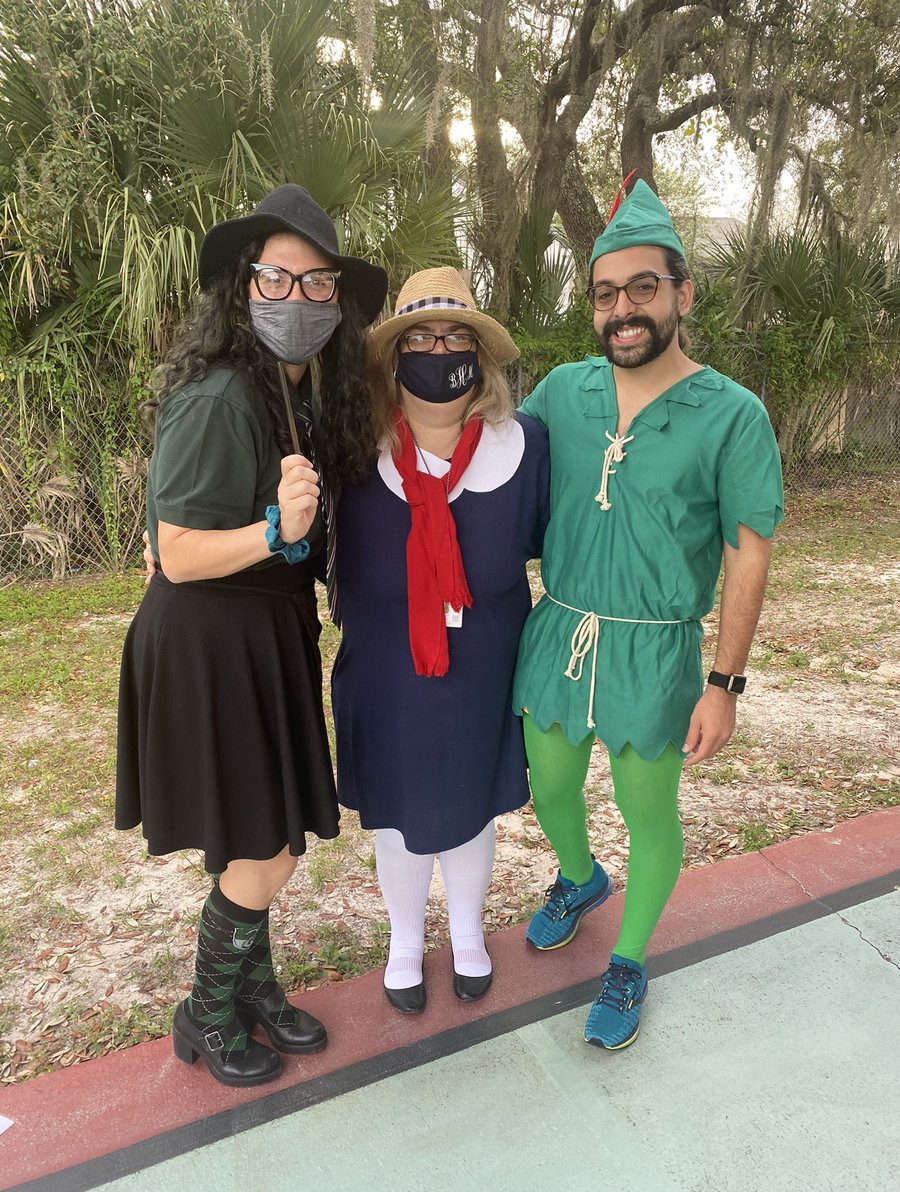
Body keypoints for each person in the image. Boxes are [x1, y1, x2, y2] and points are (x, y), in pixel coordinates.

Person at [116, 184, 388, 1086]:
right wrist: (273, 531)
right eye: (279, 278)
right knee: (265, 852)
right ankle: (203, 1009)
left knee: (254, 836)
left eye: (319, 285)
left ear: (338, 305)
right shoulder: (220, 393)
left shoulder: (307, 399)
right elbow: (179, 551)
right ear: (244, 288)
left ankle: (249, 989)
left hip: (267, 634)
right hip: (210, 640)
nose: (298, 300)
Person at [513, 177, 783, 1050]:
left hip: (656, 650)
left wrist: (725, 683)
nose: (621, 309)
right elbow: (484, 471)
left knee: (648, 812)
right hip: (558, 630)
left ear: (681, 293)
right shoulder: (561, 392)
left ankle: (627, 960)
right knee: (548, 786)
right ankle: (579, 879)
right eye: (604, 293)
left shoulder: (733, 415)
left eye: (641, 289)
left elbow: (749, 550)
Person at [331, 268, 550, 1012]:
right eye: (419, 338)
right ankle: (401, 942)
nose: (437, 350)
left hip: (483, 666)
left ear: (480, 356)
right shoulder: (352, 452)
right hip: (387, 667)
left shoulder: (524, 449)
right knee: (399, 809)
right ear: (393, 356)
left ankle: (465, 933)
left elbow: (568, 546)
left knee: (468, 803)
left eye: (455, 337)